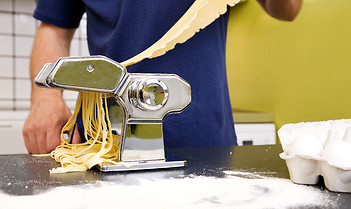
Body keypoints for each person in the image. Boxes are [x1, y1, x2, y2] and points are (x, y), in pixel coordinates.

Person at [23, 0, 302, 154]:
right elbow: (55, 28)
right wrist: (44, 98)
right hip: (103, 145)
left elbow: (288, 9)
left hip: (206, 145)